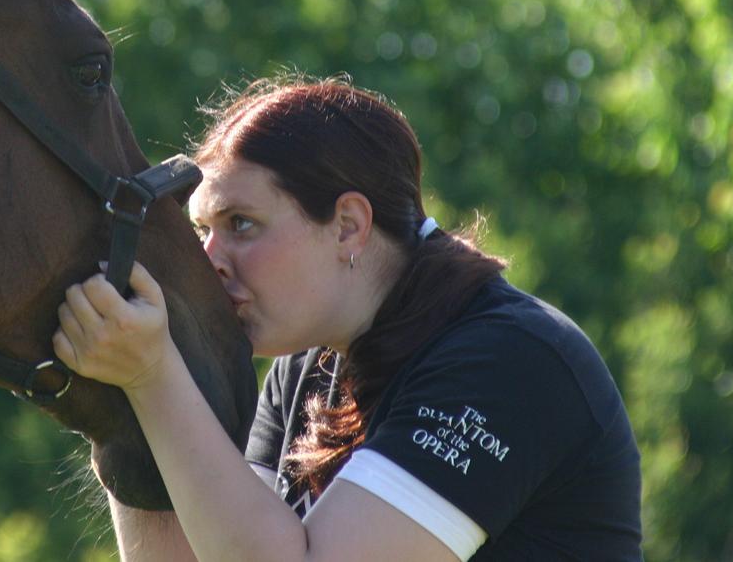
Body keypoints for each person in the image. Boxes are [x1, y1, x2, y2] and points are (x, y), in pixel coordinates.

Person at [53, 76, 642, 561]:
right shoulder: (305, 365)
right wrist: (122, 404)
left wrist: (154, 379)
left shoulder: (511, 361)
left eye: (242, 225)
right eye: (204, 229)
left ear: (348, 225)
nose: (210, 262)